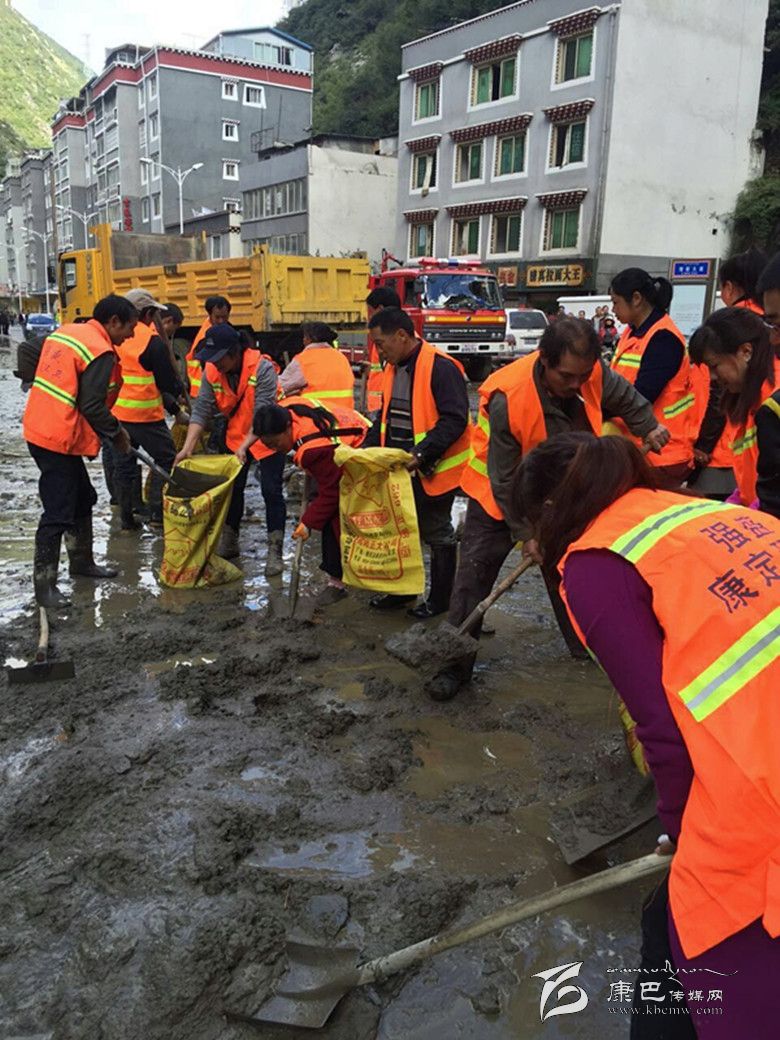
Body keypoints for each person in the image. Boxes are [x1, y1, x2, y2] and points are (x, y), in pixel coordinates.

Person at [518, 431, 780, 1040]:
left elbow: (661, 730)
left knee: (706, 950)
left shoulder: (595, 565)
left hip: (760, 782)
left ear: (552, 511)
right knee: (667, 927)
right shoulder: (705, 512)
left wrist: (683, 828)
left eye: (531, 526)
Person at [429, 318, 670, 700]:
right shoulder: (510, 396)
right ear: (544, 360)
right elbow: (504, 479)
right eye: (566, 377)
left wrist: (648, 425)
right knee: (473, 578)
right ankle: (453, 666)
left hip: (559, 493)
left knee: (569, 573)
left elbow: (625, 396)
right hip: (497, 496)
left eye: (583, 376)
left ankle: (586, 647)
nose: (577, 384)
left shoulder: (590, 372)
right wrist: (528, 534)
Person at [22, 294, 136, 607]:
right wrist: (117, 433)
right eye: (130, 327)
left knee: (83, 497)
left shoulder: (69, 331)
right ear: (113, 322)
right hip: (55, 437)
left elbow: (27, 351)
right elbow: (92, 405)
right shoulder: (100, 350)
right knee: (58, 511)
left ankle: (82, 562)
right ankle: (44, 586)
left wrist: (32, 381)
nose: (131, 335)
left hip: (44, 427)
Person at [365, 307, 471, 617]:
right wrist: (365, 449)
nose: (379, 351)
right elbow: (384, 417)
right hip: (401, 468)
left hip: (434, 468)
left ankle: (440, 600)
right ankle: (403, 592)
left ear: (401, 335)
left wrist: (421, 454)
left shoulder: (440, 367)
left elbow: (455, 420)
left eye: (380, 343)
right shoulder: (394, 367)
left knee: (436, 531)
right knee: (402, 530)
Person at [175, 323, 286, 571]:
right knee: (233, 490)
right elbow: (201, 410)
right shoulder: (212, 371)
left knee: (271, 491)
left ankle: (275, 550)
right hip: (236, 436)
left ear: (235, 353)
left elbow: (262, 413)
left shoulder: (262, 368)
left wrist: (245, 447)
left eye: (219, 358)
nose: (215, 364)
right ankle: (230, 539)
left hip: (268, 436)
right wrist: (187, 447)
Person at [245, 399, 369, 604]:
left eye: (276, 444)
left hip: (364, 444)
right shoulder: (289, 411)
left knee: (335, 518)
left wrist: (307, 523)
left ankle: (338, 582)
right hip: (348, 436)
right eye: (269, 446)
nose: (276, 449)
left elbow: (332, 492)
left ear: (287, 428)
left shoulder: (312, 450)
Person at [691, 249, 767, 501]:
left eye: (715, 366)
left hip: (718, 456)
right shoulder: (759, 326)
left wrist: (703, 444)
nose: (714, 376)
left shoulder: (728, 331)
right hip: (740, 467)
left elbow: (716, 399)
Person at [610, 268, 698, 485]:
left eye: (616, 302)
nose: (613, 310)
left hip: (662, 451)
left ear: (636, 299)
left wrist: (598, 408)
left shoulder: (663, 339)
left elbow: (642, 394)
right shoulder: (631, 332)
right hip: (638, 448)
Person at [689, 308, 780, 517]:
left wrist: (755, 511)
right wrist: (738, 500)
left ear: (746, 352)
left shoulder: (773, 399)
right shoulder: (744, 399)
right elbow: (751, 472)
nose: (712, 377)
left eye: (715, 366)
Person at [111, 289, 184, 531]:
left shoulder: (116, 337)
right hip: (145, 416)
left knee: (124, 466)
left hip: (118, 414)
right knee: (166, 458)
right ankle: (156, 514)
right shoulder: (152, 342)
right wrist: (177, 396)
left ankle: (128, 518)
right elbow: (166, 383)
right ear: (148, 313)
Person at [278, 321, 355, 409]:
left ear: (310, 339)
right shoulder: (341, 357)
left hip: (317, 414)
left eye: (305, 337)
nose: (303, 340)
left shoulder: (304, 359)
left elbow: (281, 386)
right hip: (345, 413)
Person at [184, 295, 232, 398]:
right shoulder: (205, 338)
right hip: (202, 390)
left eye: (224, 317)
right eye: (217, 317)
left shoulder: (224, 329)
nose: (221, 321)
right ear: (209, 315)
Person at [364, 286, 402, 412]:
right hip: (383, 406)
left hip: (383, 407)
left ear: (380, 310)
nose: (369, 317)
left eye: (370, 312)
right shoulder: (401, 337)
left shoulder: (388, 340)